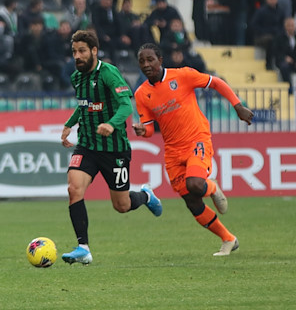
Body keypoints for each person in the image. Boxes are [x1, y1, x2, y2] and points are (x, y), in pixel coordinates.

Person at [133, 43, 254, 256]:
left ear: (160, 60)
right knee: (191, 200)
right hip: (172, 150)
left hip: (196, 140)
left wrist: (237, 106)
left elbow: (216, 83)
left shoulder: (183, 75)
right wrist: (143, 131)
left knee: (196, 184)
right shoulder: (142, 94)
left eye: (150, 59)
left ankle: (212, 188)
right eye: (142, 61)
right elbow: (151, 129)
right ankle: (228, 239)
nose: (146, 64)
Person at [59, 30, 162, 265]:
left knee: (122, 205)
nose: (77, 55)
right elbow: (84, 105)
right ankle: (83, 247)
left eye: (82, 51)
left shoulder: (109, 73)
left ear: (94, 51)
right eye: (74, 51)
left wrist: (111, 124)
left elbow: (126, 106)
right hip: (87, 145)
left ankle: (145, 195)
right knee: (74, 189)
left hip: (114, 149)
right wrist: (70, 124)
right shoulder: (77, 77)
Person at [274, 17, 296, 93]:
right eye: (288, 25)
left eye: (292, 25)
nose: (290, 28)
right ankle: (290, 89)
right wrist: (285, 58)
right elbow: (276, 51)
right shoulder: (280, 37)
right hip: (285, 62)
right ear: (285, 27)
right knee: (284, 67)